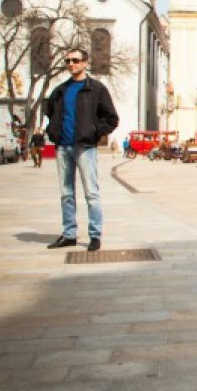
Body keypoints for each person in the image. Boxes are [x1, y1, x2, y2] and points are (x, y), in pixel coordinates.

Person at [44, 48, 118, 252]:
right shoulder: (60, 90)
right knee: (66, 193)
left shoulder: (96, 89)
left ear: (85, 63)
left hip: (85, 148)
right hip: (63, 147)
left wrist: (94, 132)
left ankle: (95, 235)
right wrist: (53, 131)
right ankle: (69, 234)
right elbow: (50, 112)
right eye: (68, 61)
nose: (71, 64)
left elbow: (112, 118)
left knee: (91, 193)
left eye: (75, 60)